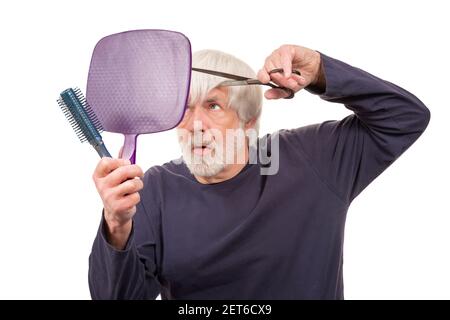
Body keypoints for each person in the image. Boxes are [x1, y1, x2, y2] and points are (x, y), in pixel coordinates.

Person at [88, 45, 430, 299]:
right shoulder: (153, 191)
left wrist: (321, 71)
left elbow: (404, 118)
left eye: (213, 105)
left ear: (248, 121)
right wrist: (117, 227)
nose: (195, 125)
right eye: (185, 109)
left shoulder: (313, 159)